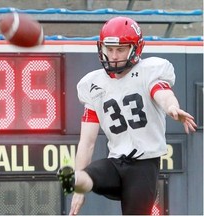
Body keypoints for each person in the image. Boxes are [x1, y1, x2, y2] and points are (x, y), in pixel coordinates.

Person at [57, 16, 197, 215]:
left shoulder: (149, 72)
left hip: (143, 166)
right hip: (115, 162)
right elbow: (86, 142)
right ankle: (75, 181)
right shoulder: (93, 84)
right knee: (91, 174)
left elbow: (162, 93)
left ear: (135, 49)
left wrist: (172, 107)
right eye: (110, 49)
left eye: (120, 49)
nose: (113, 55)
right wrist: (79, 192)